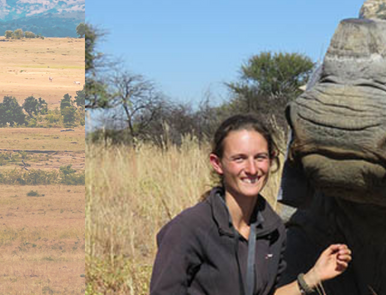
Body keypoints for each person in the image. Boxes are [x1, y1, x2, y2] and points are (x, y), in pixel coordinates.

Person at [150, 115, 352, 295]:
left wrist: (313, 276)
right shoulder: (189, 228)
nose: (252, 169)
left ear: (271, 159)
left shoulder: (273, 229)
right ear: (217, 163)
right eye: (239, 159)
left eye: (260, 157)